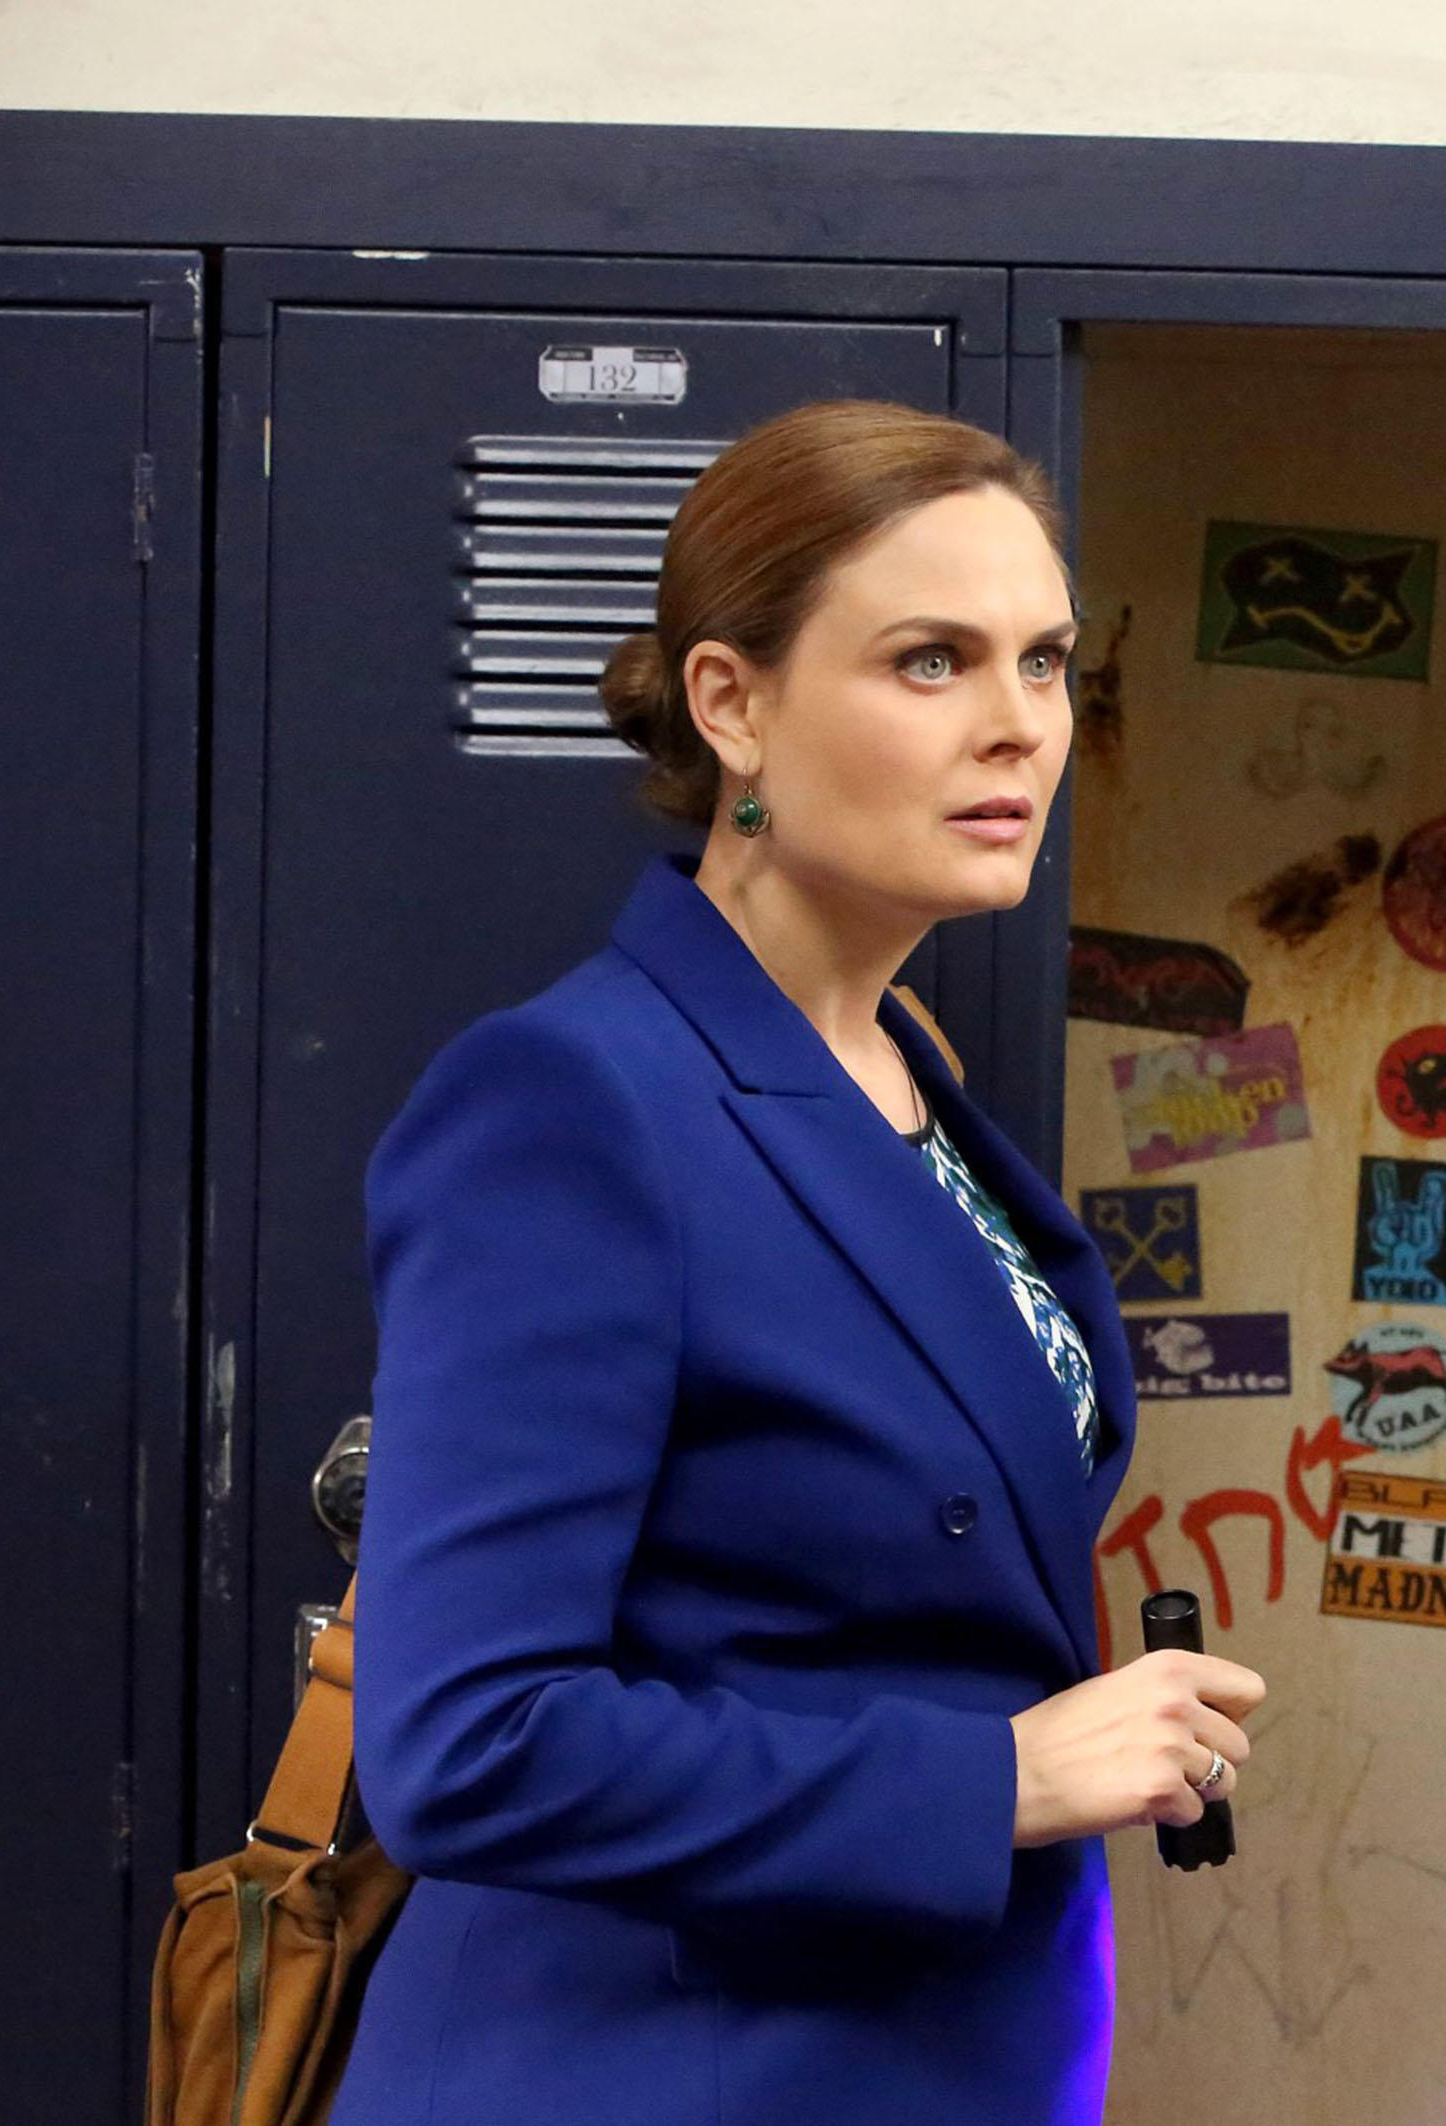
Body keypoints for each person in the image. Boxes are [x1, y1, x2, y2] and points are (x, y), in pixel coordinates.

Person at [339, 401, 1264, 2124]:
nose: (1020, 729)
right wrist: (995, 1778)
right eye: (932, 661)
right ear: (732, 703)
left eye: (1048, 662)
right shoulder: (575, 1101)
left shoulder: (904, 1068)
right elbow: (468, 1744)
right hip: (666, 2071)